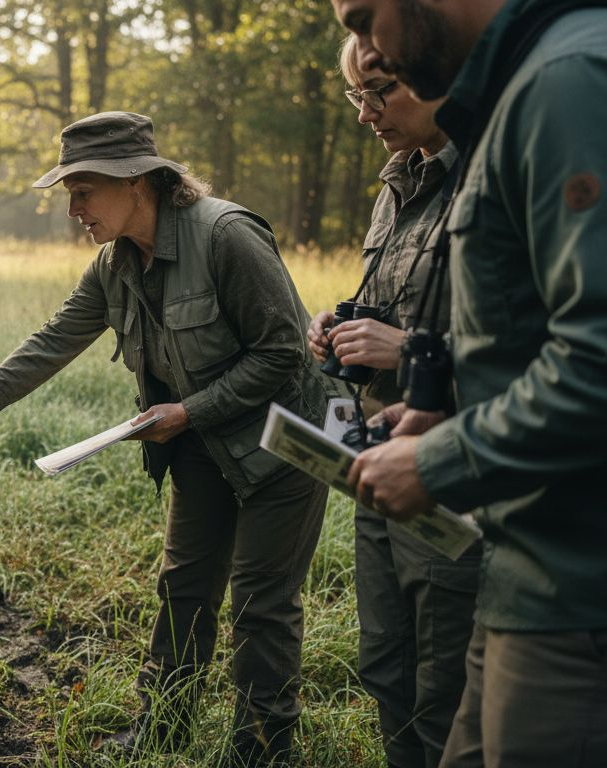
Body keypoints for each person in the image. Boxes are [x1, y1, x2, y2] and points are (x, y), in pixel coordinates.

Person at [0, 111, 330, 766]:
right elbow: (54, 339)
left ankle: (263, 751)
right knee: (183, 590)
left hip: (284, 445)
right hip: (201, 448)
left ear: (137, 183)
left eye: (82, 191)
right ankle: (163, 730)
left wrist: (189, 410)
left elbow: (284, 355)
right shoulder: (115, 263)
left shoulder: (227, 237)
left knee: (263, 608)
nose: (72, 209)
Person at [333, 0, 607, 764]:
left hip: (577, 595)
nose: (368, 50)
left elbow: (597, 360)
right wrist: (448, 415)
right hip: (525, 571)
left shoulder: (569, 79)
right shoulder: (523, 89)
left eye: (363, 20)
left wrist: (443, 460)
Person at [306, 35, 477, 768]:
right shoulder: (396, 181)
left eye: (383, 92)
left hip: (451, 468)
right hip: (373, 458)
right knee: (384, 663)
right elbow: (385, 303)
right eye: (357, 96)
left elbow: (545, 351)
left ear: (442, 76)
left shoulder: (491, 178)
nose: (366, 114)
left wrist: (405, 350)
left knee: (445, 683)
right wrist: (338, 326)